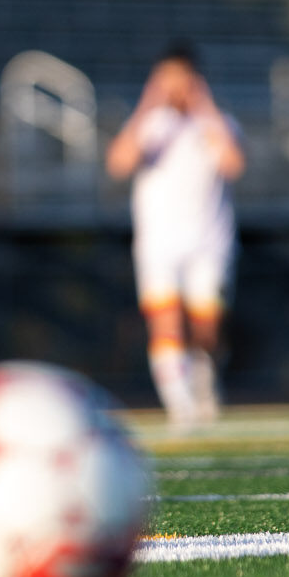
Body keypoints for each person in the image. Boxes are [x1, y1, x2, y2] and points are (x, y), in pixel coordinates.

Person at [105, 44, 244, 427]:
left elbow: (233, 164)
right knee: (165, 323)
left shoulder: (217, 124)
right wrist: (148, 105)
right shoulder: (151, 126)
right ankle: (180, 407)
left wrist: (204, 107)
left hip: (209, 241)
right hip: (159, 244)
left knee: (207, 329)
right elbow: (119, 162)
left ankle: (204, 381)